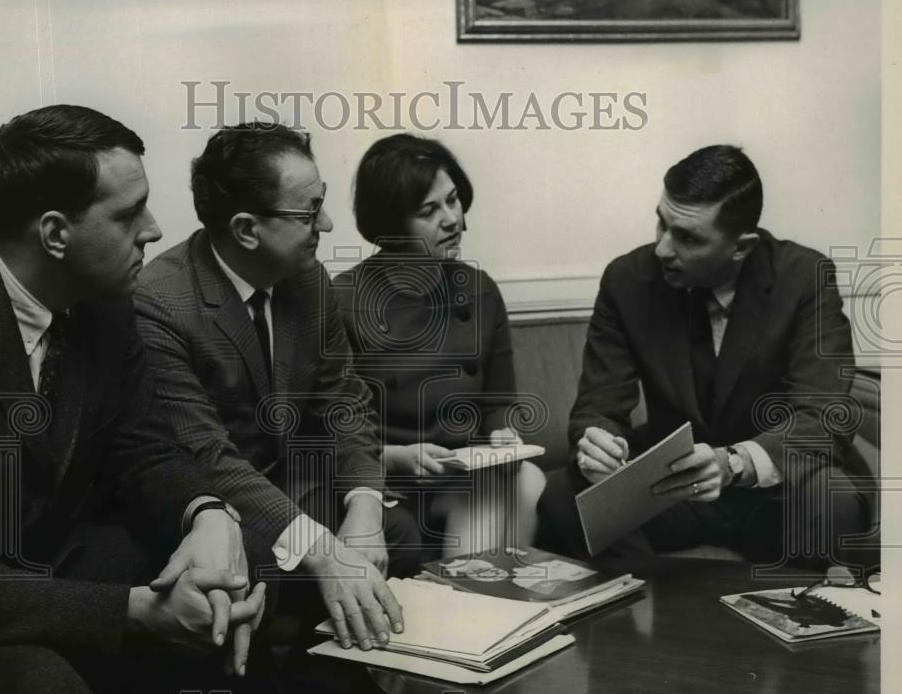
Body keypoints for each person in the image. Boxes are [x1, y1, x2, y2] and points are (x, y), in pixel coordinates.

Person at [0, 105, 269, 694]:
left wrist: (211, 517)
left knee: (241, 573)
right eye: (129, 214)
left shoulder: (104, 305)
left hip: (48, 561)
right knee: (35, 683)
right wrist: (134, 611)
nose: (156, 230)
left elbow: (146, 449)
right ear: (56, 234)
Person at [134, 122, 419, 655]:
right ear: (247, 229)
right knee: (255, 583)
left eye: (323, 204)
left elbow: (346, 403)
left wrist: (363, 511)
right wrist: (324, 551)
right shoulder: (160, 304)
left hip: (299, 492)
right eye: (308, 213)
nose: (327, 224)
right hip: (221, 514)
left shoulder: (307, 279)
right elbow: (210, 458)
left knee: (396, 532)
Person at [536, 144, 875, 570]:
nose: (662, 248)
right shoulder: (627, 280)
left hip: (775, 491)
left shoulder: (804, 278)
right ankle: (654, 611)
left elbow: (823, 415)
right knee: (564, 499)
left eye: (688, 237)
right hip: (673, 486)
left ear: (741, 247)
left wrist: (734, 463)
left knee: (833, 500)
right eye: (662, 223)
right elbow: (598, 404)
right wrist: (597, 440)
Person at [332, 134, 546, 560]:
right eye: (429, 211)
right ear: (390, 227)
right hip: (388, 481)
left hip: (462, 475)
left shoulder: (480, 290)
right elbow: (333, 427)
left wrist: (503, 432)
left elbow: (498, 402)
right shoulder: (344, 300)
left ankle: (477, 605)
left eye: (453, 200)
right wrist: (397, 458)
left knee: (524, 479)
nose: (452, 219)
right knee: (507, 490)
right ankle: (480, 605)